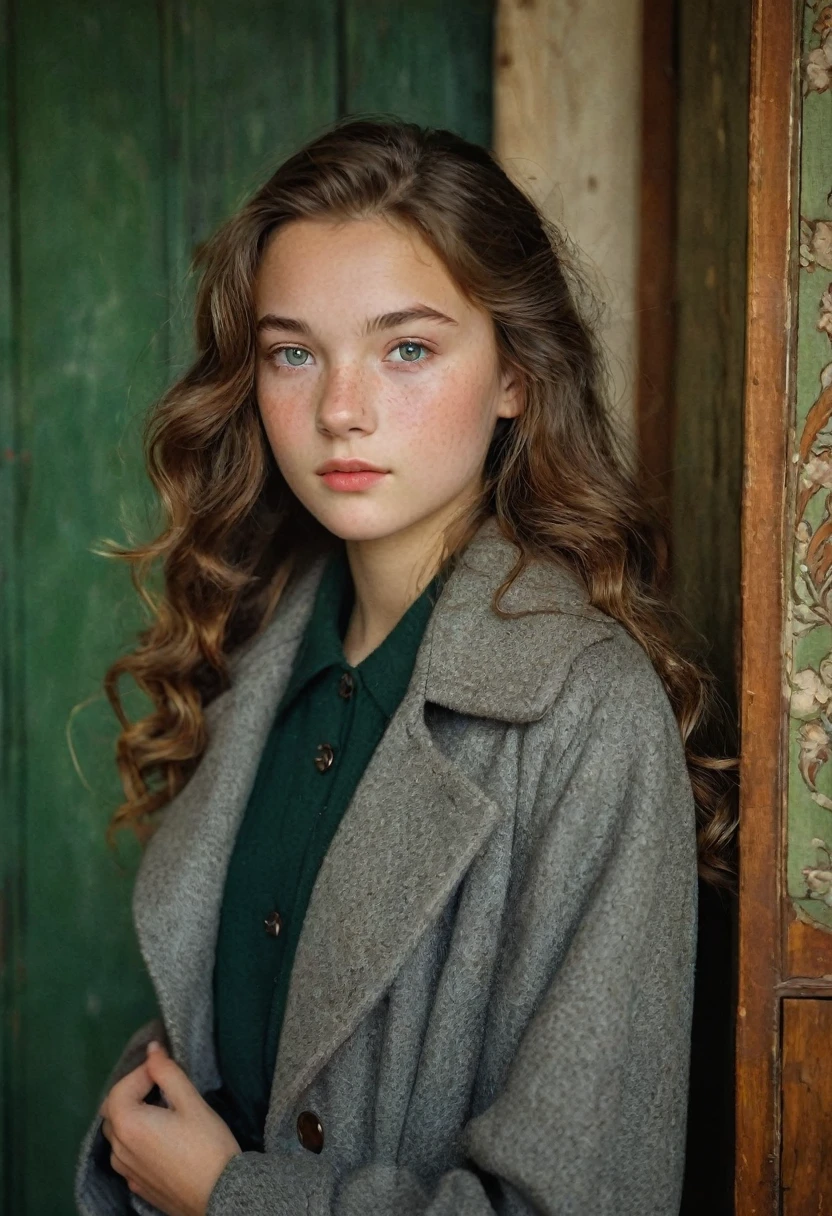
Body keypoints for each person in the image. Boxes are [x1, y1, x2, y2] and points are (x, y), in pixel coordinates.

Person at [74, 117, 735, 1216]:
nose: (341, 408)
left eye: (407, 349)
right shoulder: (253, 650)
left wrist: (231, 1195)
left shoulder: (585, 711)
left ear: (516, 373)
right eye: (294, 351)